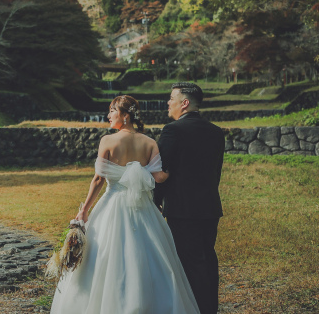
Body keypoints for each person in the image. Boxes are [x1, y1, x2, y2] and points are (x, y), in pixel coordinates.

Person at [50, 95, 200, 314]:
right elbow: (159, 177)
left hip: (111, 204)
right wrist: (174, 169)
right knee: (149, 256)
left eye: (112, 111)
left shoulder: (108, 141)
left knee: (104, 256)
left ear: (125, 115)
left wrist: (84, 210)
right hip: (143, 208)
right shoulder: (149, 142)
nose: (108, 115)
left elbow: (98, 180)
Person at [154, 82, 225, 314]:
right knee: (207, 260)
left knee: (187, 264)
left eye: (172, 98)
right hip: (209, 207)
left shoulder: (173, 130)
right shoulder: (216, 131)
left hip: (182, 210)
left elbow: (162, 172)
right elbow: (216, 173)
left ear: (184, 103)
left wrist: (154, 202)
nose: (168, 103)